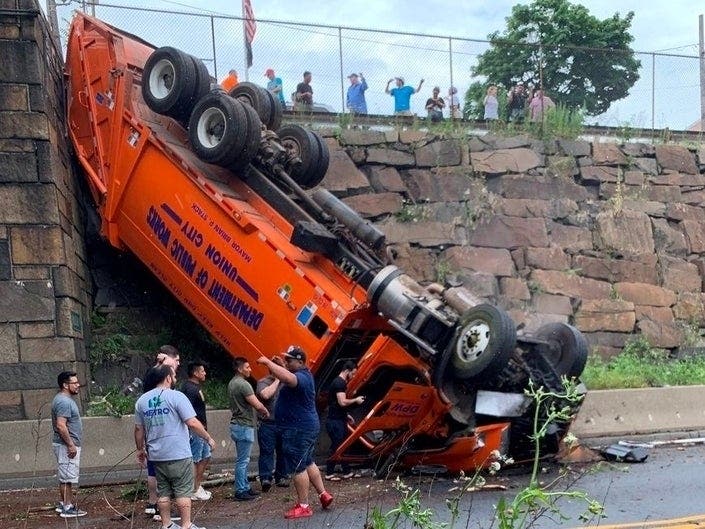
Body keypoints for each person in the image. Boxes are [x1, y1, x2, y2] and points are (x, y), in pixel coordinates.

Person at [256, 346, 333, 519]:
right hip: (304, 427)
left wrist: (268, 362)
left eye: (290, 360)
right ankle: (323, 494)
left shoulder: (301, 377)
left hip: (298, 429)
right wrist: (282, 364)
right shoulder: (303, 375)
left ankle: (304, 505)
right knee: (308, 462)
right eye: (287, 360)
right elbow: (287, 375)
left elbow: (288, 378)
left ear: (300, 362)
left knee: (298, 467)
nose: (287, 362)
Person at [135, 365, 215, 529]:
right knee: (183, 490)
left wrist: (140, 450)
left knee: (163, 491)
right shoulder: (177, 396)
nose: (175, 379)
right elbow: (192, 422)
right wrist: (208, 438)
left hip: (156, 454)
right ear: (167, 378)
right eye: (174, 376)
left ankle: (167, 524)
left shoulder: (142, 401)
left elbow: (138, 429)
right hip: (178, 453)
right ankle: (186, 525)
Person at [144, 345, 181, 521]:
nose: (178, 364)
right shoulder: (159, 375)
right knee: (159, 471)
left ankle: (154, 504)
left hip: (154, 428)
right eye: (177, 359)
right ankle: (159, 506)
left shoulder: (155, 375)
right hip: (162, 430)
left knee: (154, 469)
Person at [228, 356, 269, 501]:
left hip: (237, 424)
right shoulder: (243, 385)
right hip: (244, 424)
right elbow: (256, 403)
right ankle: (240, 490)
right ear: (240, 369)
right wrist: (265, 411)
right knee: (243, 460)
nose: (250, 369)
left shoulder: (232, 383)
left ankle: (245, 486)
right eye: (247, 367)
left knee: (243, 459)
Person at [51, 371, 86, 518]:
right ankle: (67, 507)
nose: (78, 385)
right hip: (66, 445)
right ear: (65, 385)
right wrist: (70, 444)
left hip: (67, 444)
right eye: (74, 383)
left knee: (66, 476)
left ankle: (65, 503)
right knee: (67, 477)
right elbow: (61, 425)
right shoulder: (64, 402)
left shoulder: (64, 400)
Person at [324, 361, 365, 481]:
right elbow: (342, 402)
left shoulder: (339, 382)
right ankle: (329, 473)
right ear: (347, 370)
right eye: (353, 373)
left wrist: (346, 415)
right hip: (335, 421)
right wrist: (355, 400)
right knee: (338, 447)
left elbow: (336, 403)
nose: (353, 376)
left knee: (342, 446)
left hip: (338, 419)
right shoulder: (339, 383)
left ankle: (347, 472)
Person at [256, 356, 289, 492]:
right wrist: (277, 380)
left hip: (283, 423)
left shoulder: (287, 383)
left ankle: (281, 476)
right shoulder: (263, 382)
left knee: (283, 451)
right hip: (267, 423)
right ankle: (266, 477)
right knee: (266, 451)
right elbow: (265, 395)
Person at [180, 361, 212, 501]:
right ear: (195, 373)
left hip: (201, 428)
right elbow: (188, 412)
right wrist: (194, 427)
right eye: (202, 371)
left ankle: (197, 486)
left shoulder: (194, 387)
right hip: (195, 429)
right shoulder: (190, 389)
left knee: (205, 456)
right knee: (196, 458)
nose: (204, 373)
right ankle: (192, 489)